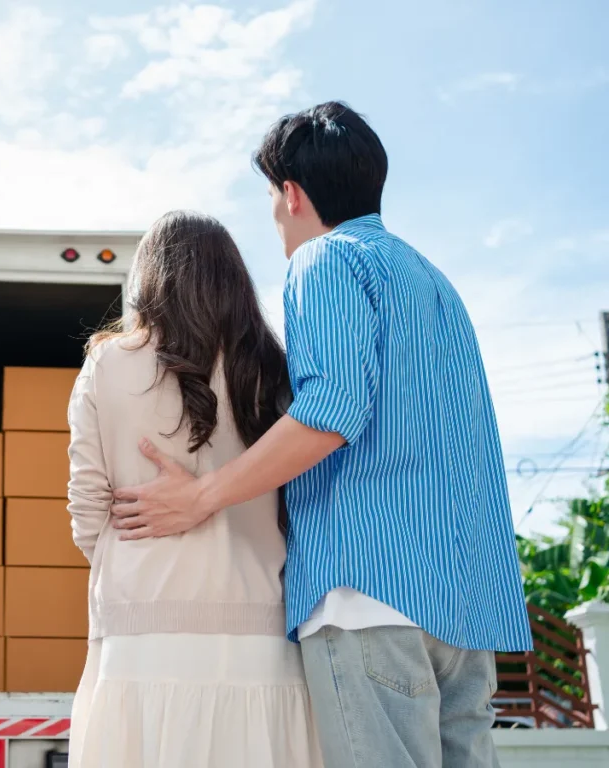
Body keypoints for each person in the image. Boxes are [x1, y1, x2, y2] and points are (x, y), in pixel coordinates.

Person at [109, 102, 532, 767]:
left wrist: (202, 496)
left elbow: (332, 408)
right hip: (465, 608)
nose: (275, 216)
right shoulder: (433, 281)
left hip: (370, 592)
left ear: (293, 193)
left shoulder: (326, 261)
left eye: (273, 198)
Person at [66, 211, 323, 768]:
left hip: (141, 635)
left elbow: (87, 512)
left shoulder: (107, 363)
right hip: (264, 634)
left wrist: (135, 556)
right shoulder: (273, 370)